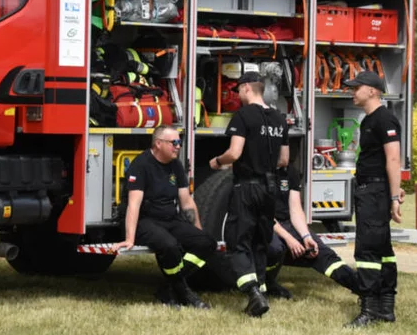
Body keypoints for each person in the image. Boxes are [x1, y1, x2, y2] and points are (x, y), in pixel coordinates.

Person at [114, 125, 230, 309]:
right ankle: (184, 292)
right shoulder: (141, 165)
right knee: (170, 246)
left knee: (207, 243)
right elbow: (133, 205)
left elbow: (187, 203)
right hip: (145, 221)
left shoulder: (175, 165)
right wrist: (129, 237)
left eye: (179, 142)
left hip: (169, 219)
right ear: (158, 144)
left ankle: (171, 287)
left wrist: (197, 230)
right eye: (174, 142)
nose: (178, 146)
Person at [209, 70, 289, 317]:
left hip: (246, 187)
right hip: (270, 188)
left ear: (246, 89)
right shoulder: (279, 118)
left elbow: (234, 153)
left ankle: (253, 292)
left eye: (238, 91)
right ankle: (262, 291)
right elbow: (284, 159)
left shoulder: (242, 116)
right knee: (260, 242)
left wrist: (217, 161)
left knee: (238, 241)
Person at [342, 69, 403, 327]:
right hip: (371, 190)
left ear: (372, 91)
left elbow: (393, 159)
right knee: (382, 249)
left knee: (367, 249)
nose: (352, 92)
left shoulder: (384, 119)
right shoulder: (368, 120)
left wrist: (394, 197)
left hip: (375, 192)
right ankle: (385, 307)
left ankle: (369, 309)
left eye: (357, 87)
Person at [263, 165, 362, 300]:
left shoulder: (290, 171)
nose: (287, 152)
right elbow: (264, 214)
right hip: (266, 224)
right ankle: (265, 283)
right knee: (275, 248)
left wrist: (306, 236)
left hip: (287, 223)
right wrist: (289, 239)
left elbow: (295, 209)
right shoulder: (260, 171)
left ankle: (363, 289)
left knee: (322, 253)